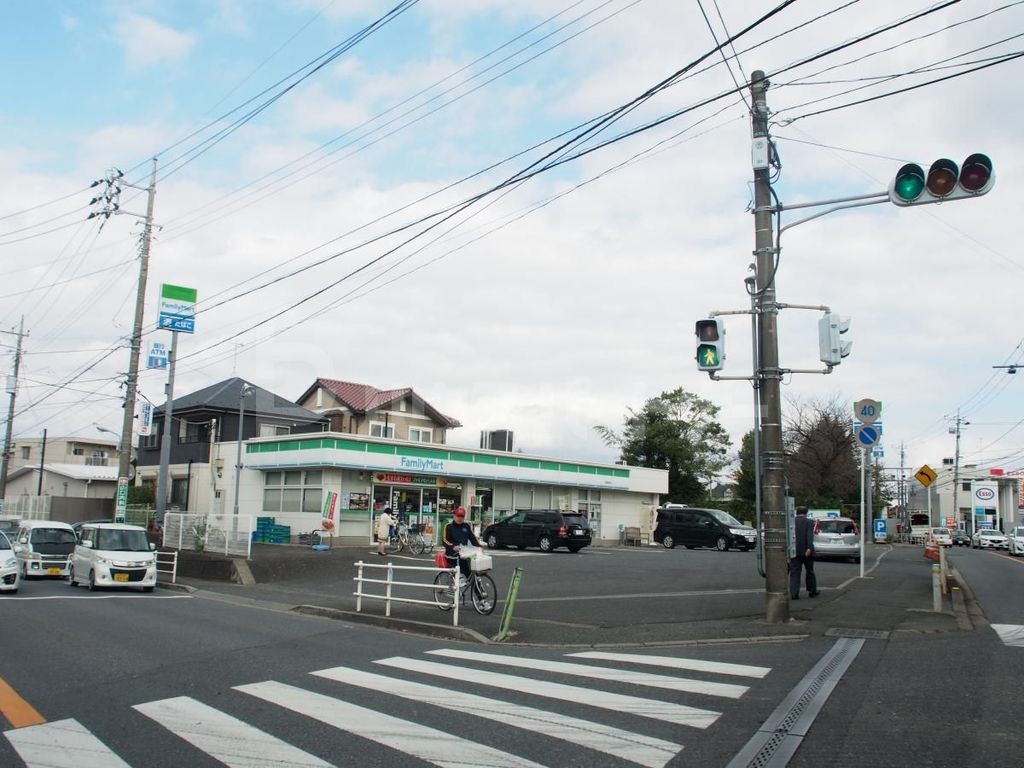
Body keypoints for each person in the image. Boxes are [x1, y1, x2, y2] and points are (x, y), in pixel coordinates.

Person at [443, 507, 481, 580]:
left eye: (462, 516)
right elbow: (444, 540)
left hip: (464, 553)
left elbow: (473, 538)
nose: (460, 518)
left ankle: (478, 589)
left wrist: (479, 547)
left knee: (474, 568)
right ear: (454, 516)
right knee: (465, 568)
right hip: (452, 554)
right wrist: (453, 547)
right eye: (458, 516)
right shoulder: (449, 526)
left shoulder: (466, 526)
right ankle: (462, 582)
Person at [790, 506, 819, 599]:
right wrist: (809, 548)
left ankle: (794, 593)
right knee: (810, 571)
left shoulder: (791, 522)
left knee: (795, 572)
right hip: (807, 551)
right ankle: (812, 591)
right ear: (806, 512)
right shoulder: (809, 522)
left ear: (797, 512)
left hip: (794, 550)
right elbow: (809, 535)